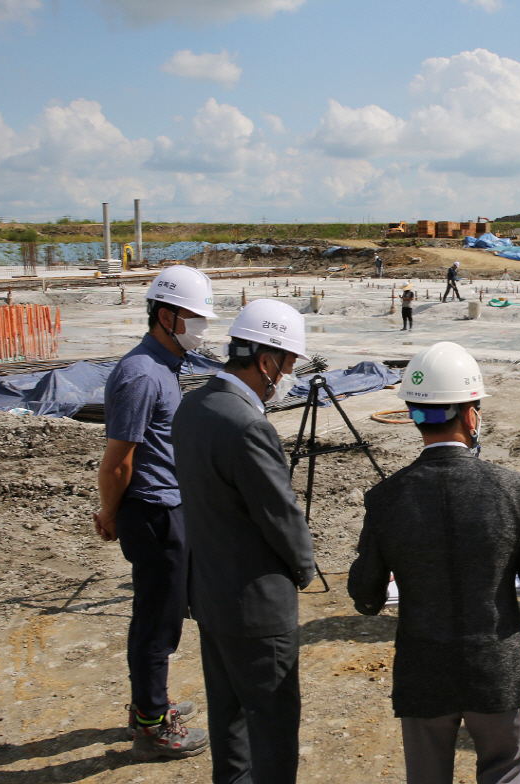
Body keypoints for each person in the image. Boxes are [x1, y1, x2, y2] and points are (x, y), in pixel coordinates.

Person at [347, 342, 520, 784]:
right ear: (471, 414)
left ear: (414, 415)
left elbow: (366, 597)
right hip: (498, 671)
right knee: (504, 772)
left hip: (424, 675)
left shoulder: (387, 499)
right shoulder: (512, 489)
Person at [172, 299, 317, 784]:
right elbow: (281, 516)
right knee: (272, 727)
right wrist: (304, 568)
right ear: (267, 360)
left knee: (228, 720)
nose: (290, 375)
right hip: (257, 608)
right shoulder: (248, 426)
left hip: (209, 595)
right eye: (290, 364)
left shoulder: (192, 405)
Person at [96, 264, 214, 760]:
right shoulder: (142, 373)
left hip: (168, 508)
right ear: (166, 315)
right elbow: (118, 459)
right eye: (192, 317)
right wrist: (108, 512)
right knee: (156, 621)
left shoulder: (166, 367)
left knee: (162, 615)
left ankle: (151, 702)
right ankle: (150, 724)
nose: (200, 328)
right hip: (152, 513)